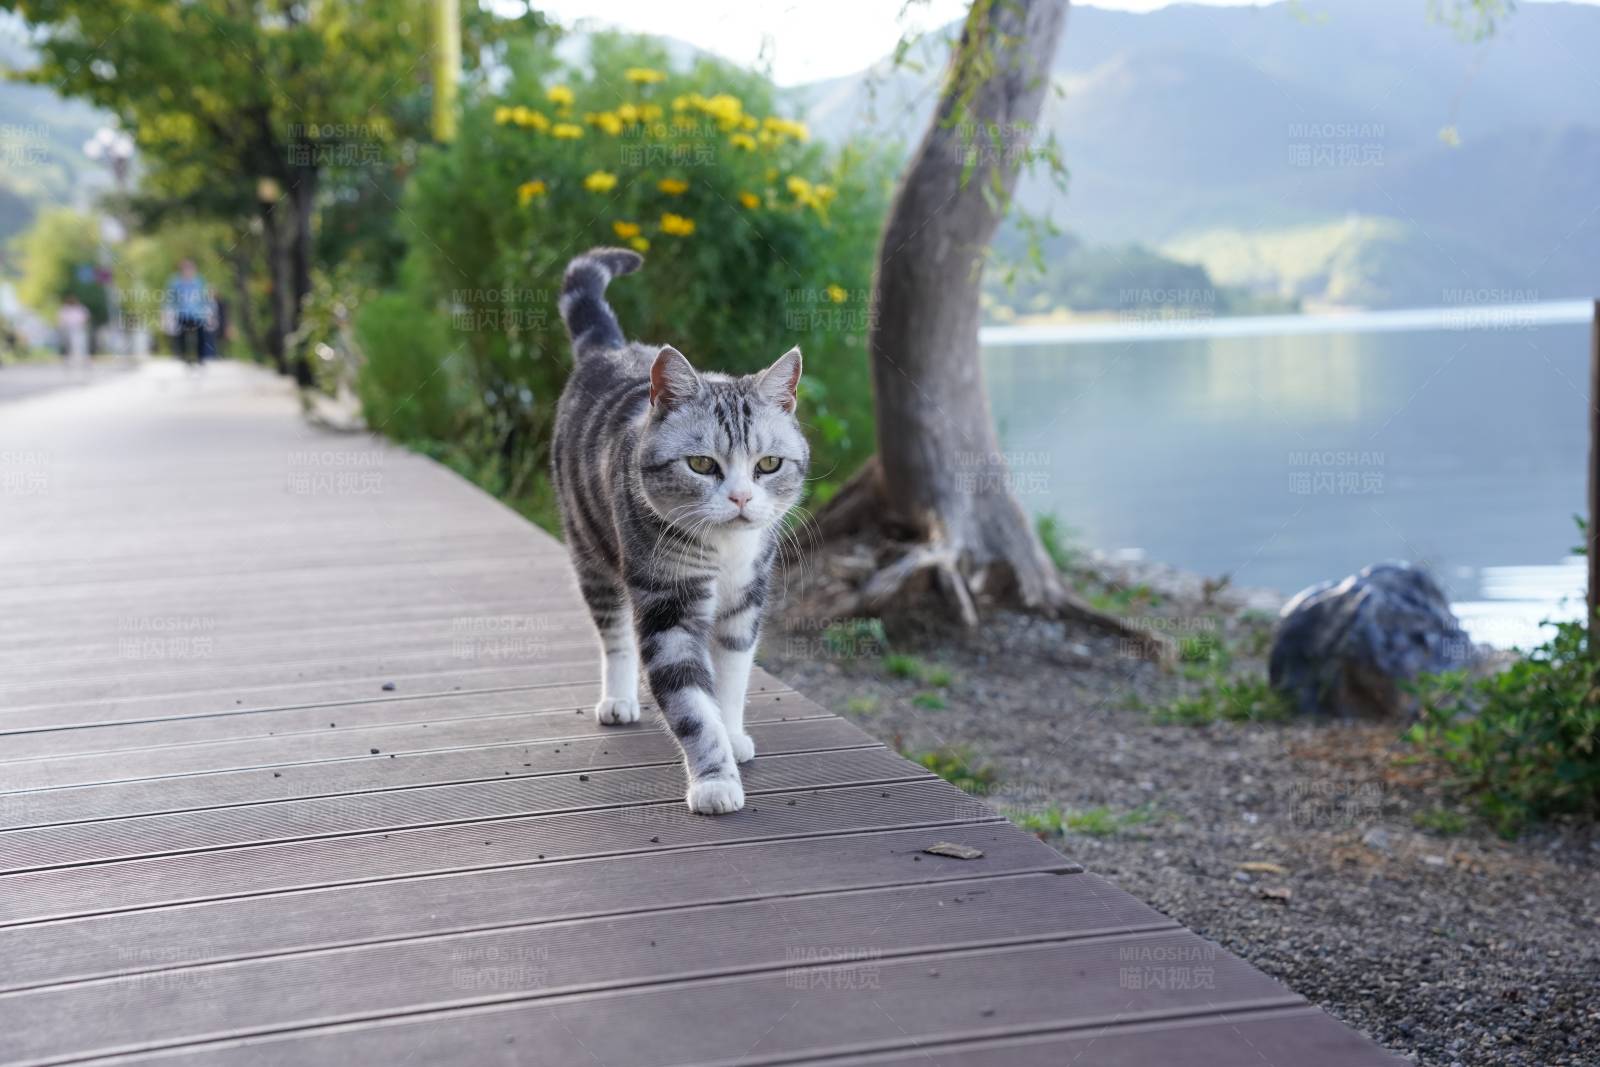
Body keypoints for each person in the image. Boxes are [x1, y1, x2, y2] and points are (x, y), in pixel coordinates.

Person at [167, 259, 212, 367]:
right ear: (181, 270)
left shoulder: (199, 281)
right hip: (182, 313)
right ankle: (185, 357)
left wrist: (208, 311)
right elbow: (171, 298)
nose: (188, 271)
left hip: (198, 314)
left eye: (190, 269)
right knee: (182, 337)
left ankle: (200, 358)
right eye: (186, 269)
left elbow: (205, 297)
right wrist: (170, 311)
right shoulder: (175, 282)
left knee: (201, 337)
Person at [57, 294, 91, 376]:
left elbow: (86, 318)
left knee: (81, 346)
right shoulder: (65, 309)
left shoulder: (80, 308)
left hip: (78, 329)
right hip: (68, 329)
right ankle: (69, 362)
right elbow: (61, 320)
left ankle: (83, 361)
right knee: (69, 347)